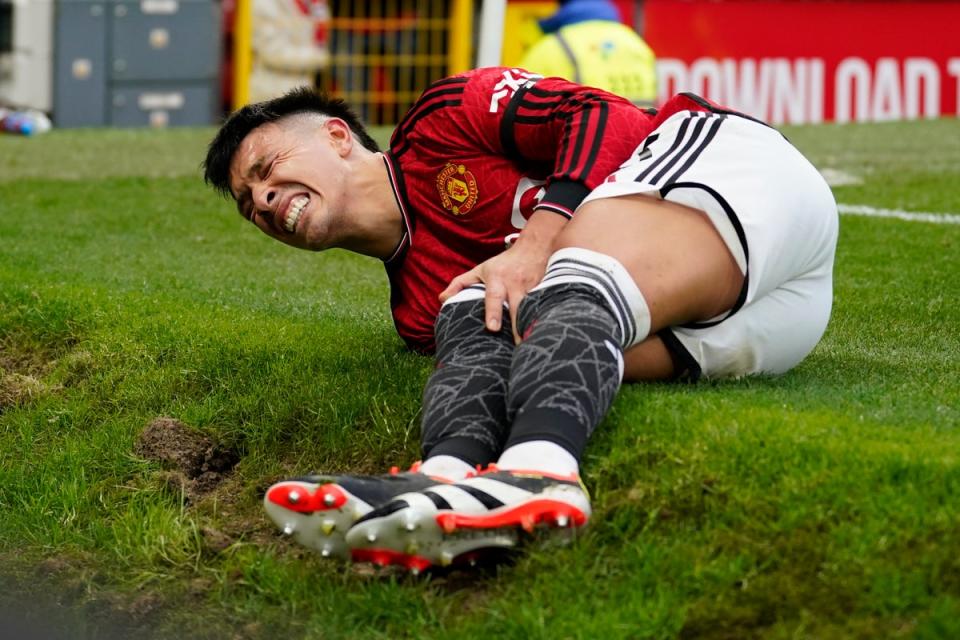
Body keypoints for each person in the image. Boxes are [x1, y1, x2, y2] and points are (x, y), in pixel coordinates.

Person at [202, 67, 838, 569]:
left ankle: (543, 471)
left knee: (551, 282)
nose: (261, 200)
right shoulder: (416, 310)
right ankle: (442, 480)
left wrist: (537, 241)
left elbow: (603, 113)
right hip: (751, 325)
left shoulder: (442, 119)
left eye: (267, 169)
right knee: (471, 308)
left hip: (738, 182)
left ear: (338, 137)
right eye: (248, 203)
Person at [519, 0, 657, 106]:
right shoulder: (635, 42)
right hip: (642, 139)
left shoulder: (550, 48)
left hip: (584, 140)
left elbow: (515, 101)